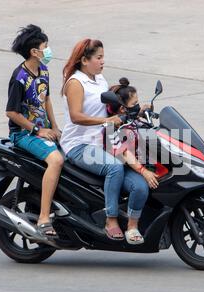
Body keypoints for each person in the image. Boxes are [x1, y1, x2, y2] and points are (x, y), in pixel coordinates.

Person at [60, 39, 150, 244]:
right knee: (115, 168)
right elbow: (76, 116)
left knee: (140, 186)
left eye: (103, 57)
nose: (103, 62)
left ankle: (132, 226)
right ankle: (110, 220)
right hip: (79, 145)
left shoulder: (100, 80)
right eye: (99, 58)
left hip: (105, 143)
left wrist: (135, 110)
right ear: (84, 60)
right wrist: (106, 121)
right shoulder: (75, 82)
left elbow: (113, 108)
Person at [5, 24, 63, 239]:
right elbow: (11, 112)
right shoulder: (19, 77)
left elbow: (46, 99)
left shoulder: (44, 70)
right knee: (56, 160)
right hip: (24, 134)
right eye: (45, 47)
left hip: (44, 130)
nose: (48, 50)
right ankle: (44, 218)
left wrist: (55, 127)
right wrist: (38, 130)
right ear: (34, 52)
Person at [105, 77, 160, 243]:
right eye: (134, 103)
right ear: (122, 108)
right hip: (123, 167)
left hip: (137, 162)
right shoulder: (112, 127)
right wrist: (144, 173)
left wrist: (143, 111)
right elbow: (124, 154)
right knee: (141, 187)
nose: (137, 105)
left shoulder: (130, 118)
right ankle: (132, 227)